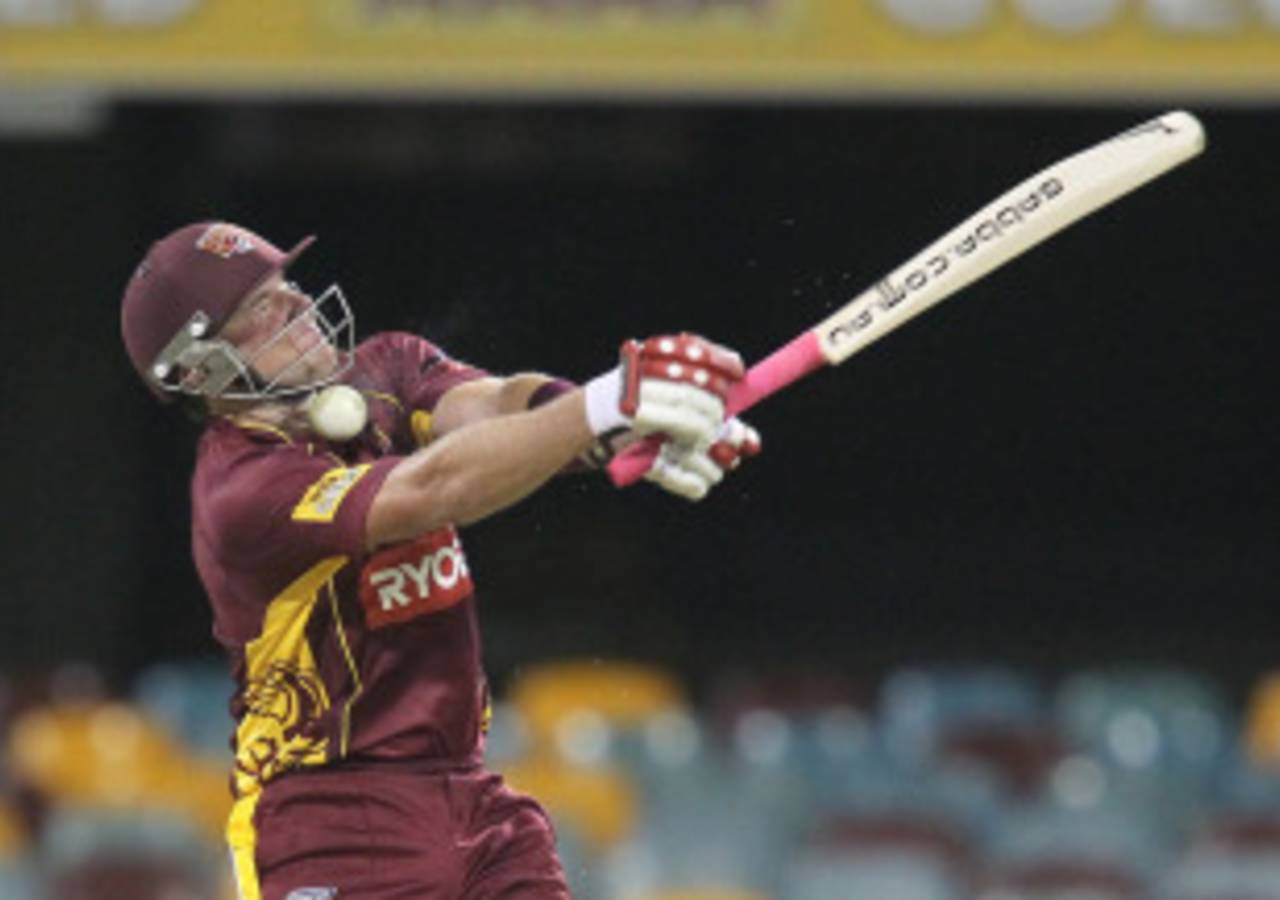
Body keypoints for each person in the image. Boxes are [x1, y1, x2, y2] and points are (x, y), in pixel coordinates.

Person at [119, 221, 761, 900]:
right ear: (198, 370)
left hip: (472, 801)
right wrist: (603, 407)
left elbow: (499, 404)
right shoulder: (241, 491)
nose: (298, 308)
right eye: (260, 309)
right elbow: (430, 489)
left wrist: (627, 426)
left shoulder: (385, 368)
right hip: (327, 822)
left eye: (287, 288)